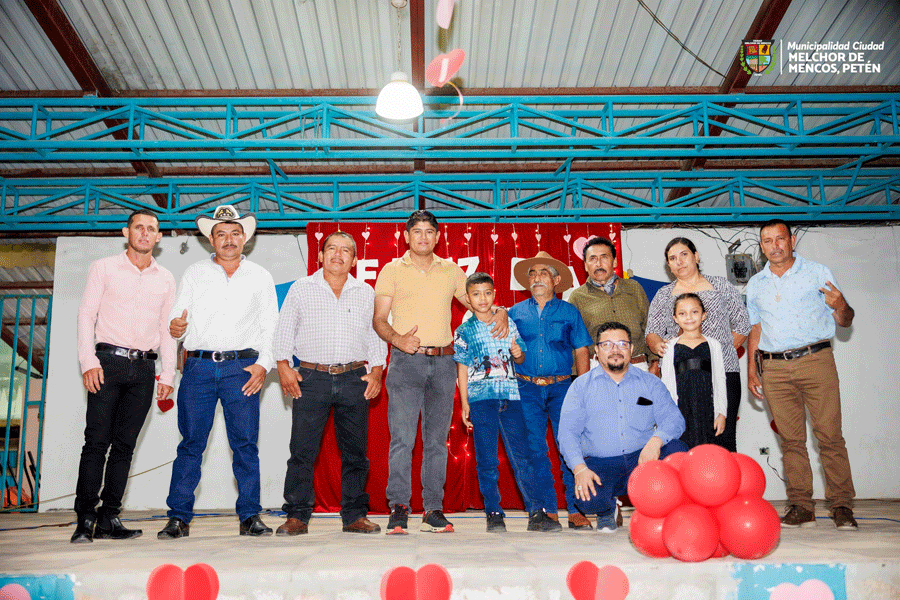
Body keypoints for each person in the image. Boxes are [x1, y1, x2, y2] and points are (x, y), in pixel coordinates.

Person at [373, 210, 508, 535]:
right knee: (402, 440)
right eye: (417, 231)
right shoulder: (392, 270)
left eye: (429, 231)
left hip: (445, 363)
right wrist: (397, 339)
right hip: (406, 362)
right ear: (406, 236)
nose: (423, 236)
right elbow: (378, 320)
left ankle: (433, 509)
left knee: (436, 442)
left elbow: (478, 303)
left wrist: (501, 311)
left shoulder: (451, 271)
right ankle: (398, 508)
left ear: (437, 236)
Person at [158, 205, 279, 539]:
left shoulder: (260, 276)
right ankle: (178, 517)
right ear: (211, 240)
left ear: (245, 238)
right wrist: (175, 326)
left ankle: (250, 515)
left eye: (235, 233)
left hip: (242, 368)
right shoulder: (194, 273)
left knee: (245, 445)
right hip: (198, 367)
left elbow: (271, 326)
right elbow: (176, 321)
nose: (229, 240)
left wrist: (264, 364)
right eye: (221, 234)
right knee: (191, 444)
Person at [72, 209, 176, 543]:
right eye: (138, 227)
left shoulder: (166, 278)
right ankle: (85, 519)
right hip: (107, 363)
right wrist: (88, 361)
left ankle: (108, 518)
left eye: (151, 229)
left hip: (144, 368)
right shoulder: (103, 268)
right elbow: (86, 315)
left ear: (159, 236)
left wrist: (168, 374)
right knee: (96, 442)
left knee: (125, 447)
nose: (144, 233)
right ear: (126, 232)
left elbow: (166, 329)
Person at [746, 219, 857, 530]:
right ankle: (801, 506)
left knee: (830, 436)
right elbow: (756, 329)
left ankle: (841, 505)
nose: (775, 246)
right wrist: (752, 370)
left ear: (792, 240)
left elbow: (845, 320)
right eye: (768, 241)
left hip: (815, 361)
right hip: (774, 368)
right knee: (790, 441)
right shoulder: (756, 284)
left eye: (780, 239)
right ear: (762, 246)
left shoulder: (818, 273)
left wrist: (841, 305)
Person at [273, 231, 386, 535]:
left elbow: (375, 334)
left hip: (354, 378)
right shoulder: (301, 288)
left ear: (355, 259)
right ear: (321, 255)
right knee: (302, 451)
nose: (338, 254)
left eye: (346, 250)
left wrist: (377, 371)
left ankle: (354, 516)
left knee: (355, 453)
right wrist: (283, 366)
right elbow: (284, 329)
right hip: (311, 378)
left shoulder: (365, 291)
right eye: (332, 248)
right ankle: (297, 516)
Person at [558, 322, 688, 532]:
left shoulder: (650, 383)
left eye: (622, 344)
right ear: (597, 351)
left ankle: (659, 508)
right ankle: (607, 510)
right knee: (586, 500)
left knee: (677, 451)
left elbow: (674, 419)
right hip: (603, 464)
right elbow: (567, 433)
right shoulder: (581, 387)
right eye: (607, 344)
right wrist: (580, 469)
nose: (615, 350)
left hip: (643, 460)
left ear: (631, 348)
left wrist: (655, 442)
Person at [453, 272, 544, 533]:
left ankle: (536, 511)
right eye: (476, 294)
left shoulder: (508, 323)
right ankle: (493, 511)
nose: (482, 299)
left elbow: (520, 356)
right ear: (468, 298)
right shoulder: (464, 331)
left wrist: (518, 353)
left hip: (511, 396)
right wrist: (465, 402)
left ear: (494, 294)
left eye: (487, 293)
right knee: (487, 459)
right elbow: (461, 368)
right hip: (481, 399)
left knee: (522, 455)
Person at [508, 251, 592, 530]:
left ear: (556, 280)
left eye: (543, 272)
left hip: (563, 388)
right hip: (525, 388)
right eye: (532, 273)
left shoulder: (569, 312)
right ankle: (548, 510)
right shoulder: (514, 313)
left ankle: (577, 509)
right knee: (534, 449)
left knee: (570, 446)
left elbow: (581, 350)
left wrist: (583, 389)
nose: (536, 277)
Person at [646, 237, 750, 452]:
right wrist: (658, 346)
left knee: (723, 435)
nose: (679, 261)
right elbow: (652, 332)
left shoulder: (721, 286)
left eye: (684, 254)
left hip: (724, 372)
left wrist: (717, 352)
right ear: (668, 265)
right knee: (683, 437)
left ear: (696, 256)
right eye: (672, 258)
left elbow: (742, 323)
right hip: (681, 376)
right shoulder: (663, 295)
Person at [569, 237, 657, 374]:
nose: (598, 263)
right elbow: (575, 342)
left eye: (604, 257)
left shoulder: (634, 288)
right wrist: (579, 379)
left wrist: (655, 362)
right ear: (585, 265)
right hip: (597, 370)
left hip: (638, 367)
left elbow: (649, 327)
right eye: (592, 259)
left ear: (614, 261)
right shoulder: (577, 297)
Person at [659, 293, 727, 448]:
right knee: (682, 449)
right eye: (682, 313)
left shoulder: (713, 345)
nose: (689, 317)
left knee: (707, 450)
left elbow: (719, 380)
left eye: (694, 312)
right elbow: (667, 383)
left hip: (707, 409)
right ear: (675, 318)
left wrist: (721, 413)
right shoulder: (669, 347)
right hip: (681, 409)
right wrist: (668, 415)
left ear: (704, 315)